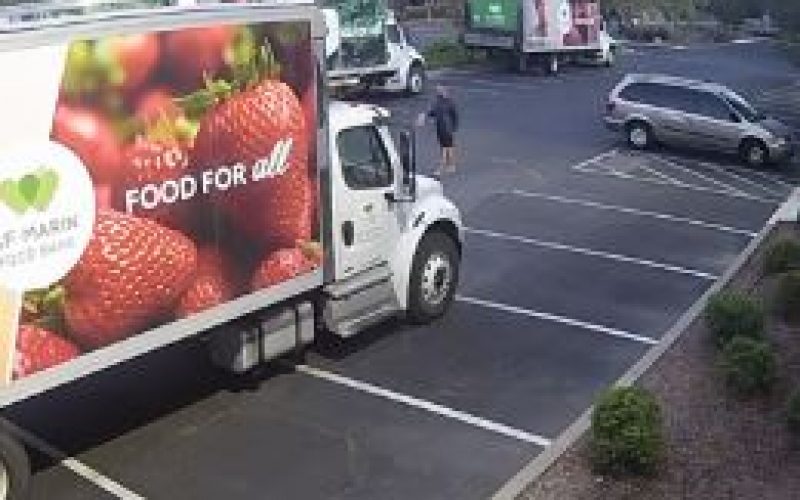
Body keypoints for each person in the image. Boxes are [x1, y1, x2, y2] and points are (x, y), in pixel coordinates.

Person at [417, 85, 459, 176]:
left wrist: (423, 117)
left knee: (445, 149)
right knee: (449, 147)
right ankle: (451, 165)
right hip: (447, 128)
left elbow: (431, 113)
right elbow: (454, 116)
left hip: (444, 129)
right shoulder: (447, 102)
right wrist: (454, 127)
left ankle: (441, 168)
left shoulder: (439, 103)